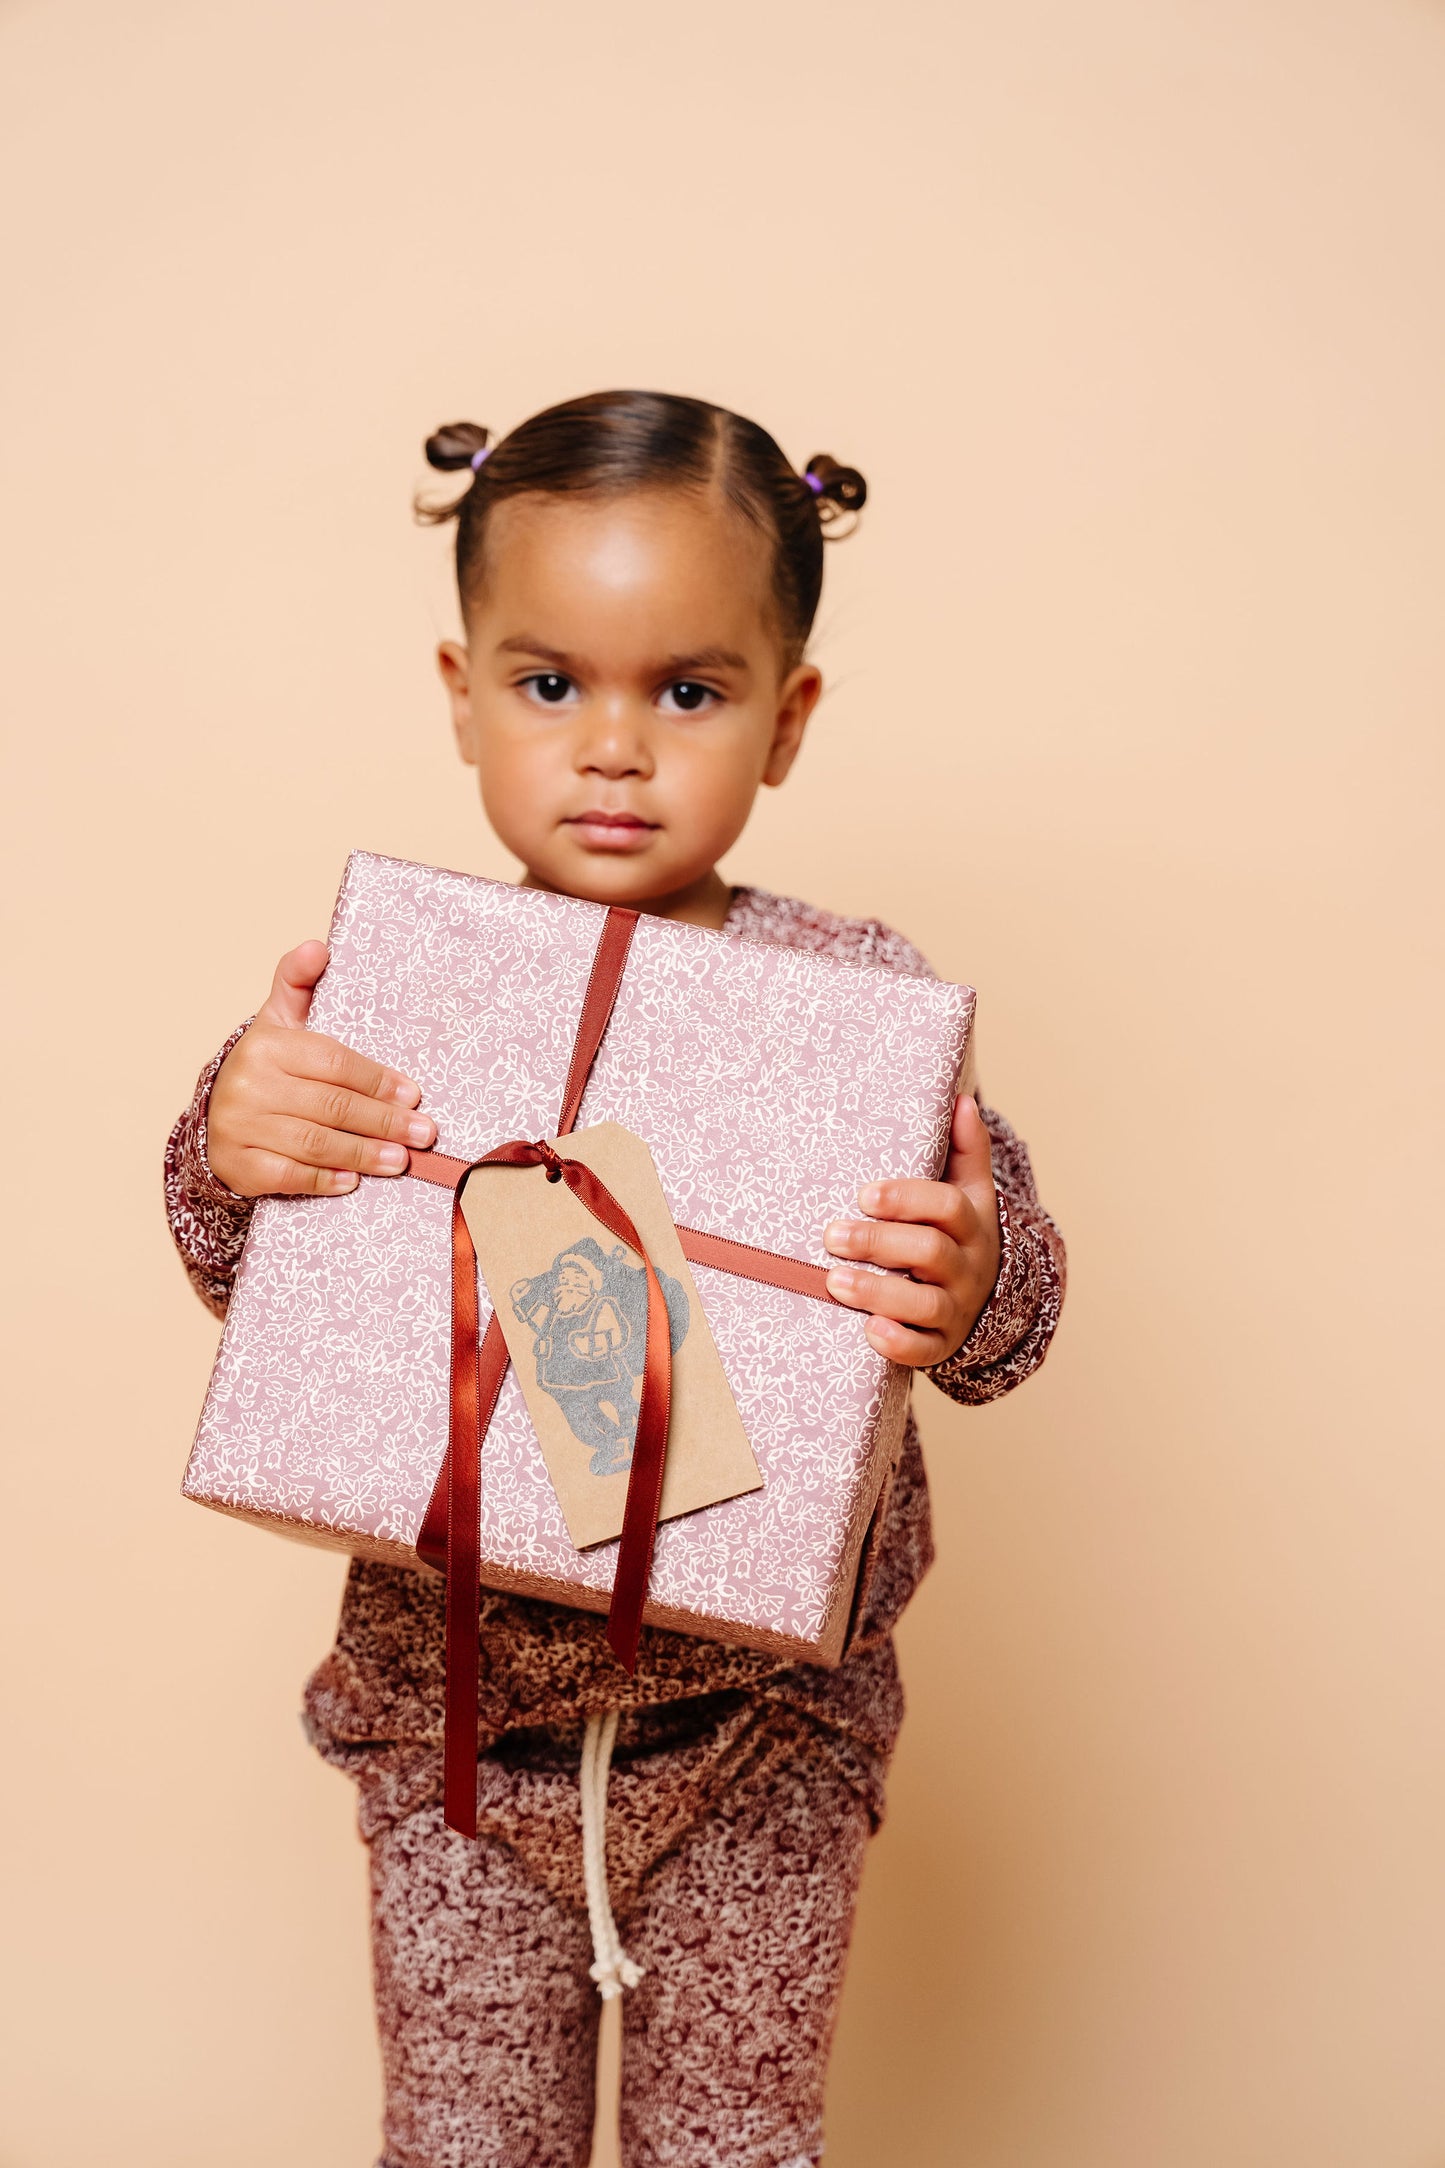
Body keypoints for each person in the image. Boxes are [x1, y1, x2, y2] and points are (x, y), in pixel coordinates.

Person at [164, 391, 1066, 2168]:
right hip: (451, 1740)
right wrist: (228, 1138)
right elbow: (251, 1265)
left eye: (691, 692)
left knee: (733, 2149)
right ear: (461, 690)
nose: (614, 750)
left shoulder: (855, 1005)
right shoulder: (393, 988)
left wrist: (972, 1278)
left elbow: (1008, 1308)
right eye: (551, 682)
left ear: (787, 720)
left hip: (761, 1744)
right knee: (460, 2144)